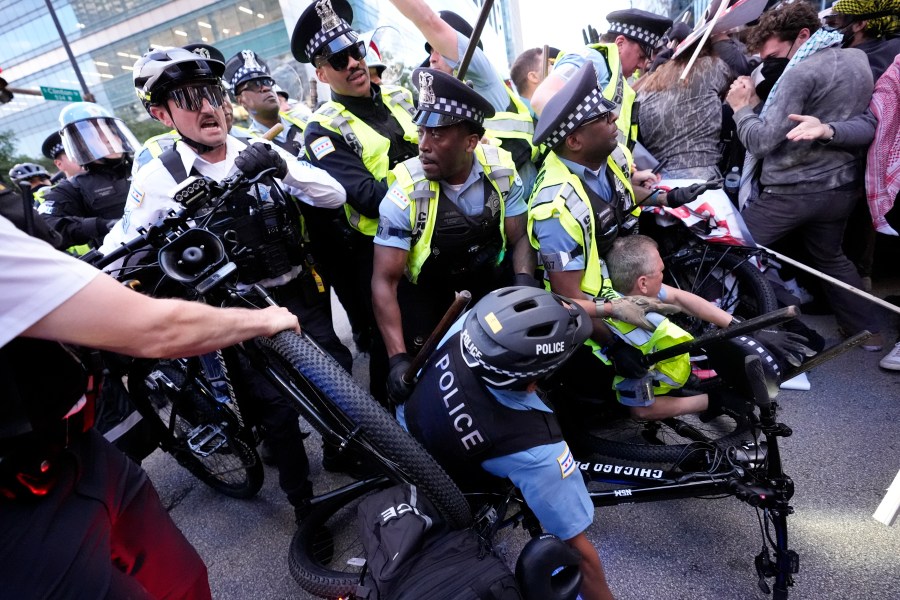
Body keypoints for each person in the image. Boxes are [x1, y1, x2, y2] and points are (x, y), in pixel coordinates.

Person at [0, 213, 300, 599]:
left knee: (184, 580)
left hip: (80, 449)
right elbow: (156, 330)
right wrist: (261, 320)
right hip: (17, 516)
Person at [103, 45, 353, 504]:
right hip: (238, 312)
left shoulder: (259, 148)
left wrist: (282, 167)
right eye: (189, 99)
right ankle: (303, 506)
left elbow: (333, 195)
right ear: (162, 115)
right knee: (276, 412)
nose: (209, 107)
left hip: (298, 290)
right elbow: (119, 250)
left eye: (213, 93)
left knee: (339, 375)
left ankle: (344, 449)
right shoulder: (158, 178)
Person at [401, 286, 615, 600]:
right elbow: (578, 553)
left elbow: (543, 312)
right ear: (532, 382)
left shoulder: (471, 326)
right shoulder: (538, 449)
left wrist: (608, 309)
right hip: (452, 493)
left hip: (408, 426)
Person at [725, 0, 884, 350]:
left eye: (772, 56)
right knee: (831, 258)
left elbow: (762, 140)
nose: (768, 65)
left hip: (791, 192)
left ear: (802, 35)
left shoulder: (799, 72)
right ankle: (868, 331)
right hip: (840, 187)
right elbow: (868, 121)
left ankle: (737, 328)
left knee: (731, 248)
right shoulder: (856, 57)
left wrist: (742, 109)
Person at [372, 67, 534, 403]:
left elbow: (519, 238)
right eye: (422, 133)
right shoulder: (406, 193)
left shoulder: (501, 171)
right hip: (428, 301)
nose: (424, 146)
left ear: (471, 142)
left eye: (438, 135)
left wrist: (524, 286)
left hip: (488, 285)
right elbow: (384, 282)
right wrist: (398, 358)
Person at [292, 0, 419, 405]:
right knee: (392, 353)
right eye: (338, 59)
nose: (353, 63)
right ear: (321, 72)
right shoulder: (322, 129)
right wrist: (432, 181)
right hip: (380, 249)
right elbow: (366, 197)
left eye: (355, 51)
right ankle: (390, 441)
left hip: (433, 234)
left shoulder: (399, 97)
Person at [604, 234, 813, 419]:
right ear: (643, 283)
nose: (663, 275)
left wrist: (745, 327)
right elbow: (641, 410)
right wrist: (713, 400)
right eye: (661, 271)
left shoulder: (630, 294)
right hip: (641, 381)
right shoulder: (635, 338)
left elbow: (679, 298)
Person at [388, 1, 538, 197]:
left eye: (439, 50)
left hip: (522, 198)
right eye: (430, 51)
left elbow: (428, 20)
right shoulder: (438, 103)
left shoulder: (483, 76)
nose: (432, 58)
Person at [531, 8, 672, 150]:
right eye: (641, 56)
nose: (642, 64)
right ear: (620, 43)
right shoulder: (591, 60)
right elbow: (541, 99)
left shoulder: (612, 71)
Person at [39, 102, 138, 252]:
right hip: (131, 261)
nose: (107, 139)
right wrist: (101, 225)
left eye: (111, 132)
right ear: (81, 145)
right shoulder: (74, 187)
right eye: (95, 135)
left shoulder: (145, 167)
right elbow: (45, 225)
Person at [636, 37, 734, 179]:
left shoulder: (651, 80)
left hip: (658, 177)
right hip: (701, 174)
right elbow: (732, 85)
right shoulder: (712, 66)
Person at [226, 49, 308, 156]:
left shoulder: (303, 120)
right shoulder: (248, 143)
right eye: (253, 85)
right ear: (240, 100)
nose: (265, 88)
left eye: (266, 81)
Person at [509, 47, 560, 117]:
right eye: (548, 65)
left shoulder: (520, 115)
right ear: (533, 77)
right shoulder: (546, 114)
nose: (554, 68)